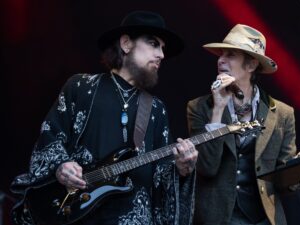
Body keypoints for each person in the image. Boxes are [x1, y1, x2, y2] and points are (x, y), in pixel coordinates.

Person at [10, 10, 198, 225]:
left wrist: (181, 170)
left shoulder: (156, 108)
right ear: (126, 44)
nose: (161, 55)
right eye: (153, 43)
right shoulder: (81, 87)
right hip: (79, 214)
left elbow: (160, 175)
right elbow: (50, 136)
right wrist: (61, 166)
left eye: (163, 48)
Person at [187, 24, 298, 225]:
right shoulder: (199, 107)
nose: (221, 59)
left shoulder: (283, 113)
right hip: (218, 219)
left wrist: (299, 171)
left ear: (251, 65)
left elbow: (285, 184)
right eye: (221, 54)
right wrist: (218, 110)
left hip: (263, 218)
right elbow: (207, 167)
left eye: (230, 55)